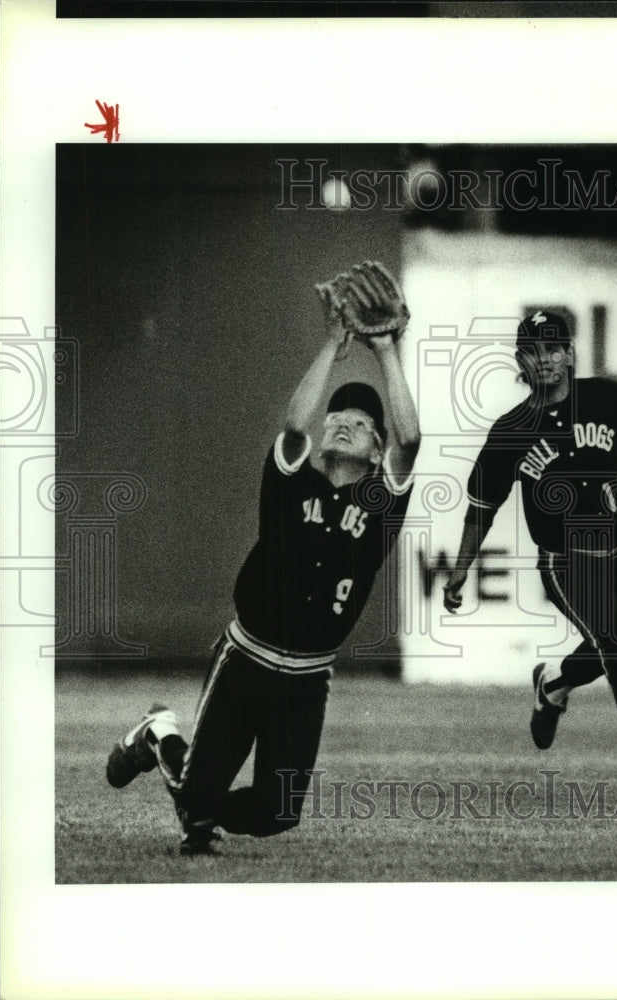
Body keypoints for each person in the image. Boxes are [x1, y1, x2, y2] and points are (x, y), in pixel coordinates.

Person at [106, 268, 420, 854]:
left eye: (360, 425)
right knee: (200, 820)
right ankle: (168, 747)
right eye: (339, 419)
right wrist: (334, 344)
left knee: (277, 815)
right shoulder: (290, 483)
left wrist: (385, 349)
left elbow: (411, 439)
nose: (344, 424)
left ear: (376, 450)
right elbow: (296, 423)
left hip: (306, 677)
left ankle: (176, 767)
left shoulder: (379, 503)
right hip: (246, 660)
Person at [442, 309, 617, 803]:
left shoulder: (610, 397)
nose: (543, 359)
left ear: (568, 353)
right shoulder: (511, 430)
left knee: (610, 650)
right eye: (532, 351)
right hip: (565, 560)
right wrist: (460, 571)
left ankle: (554, 682)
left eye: (552, 349)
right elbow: (481, 507)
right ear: (520, 360)